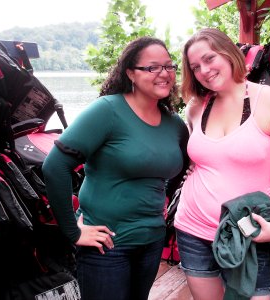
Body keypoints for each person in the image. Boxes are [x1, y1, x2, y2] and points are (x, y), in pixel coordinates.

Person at [42, 36, 189, 300]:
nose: (164, 74)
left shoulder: (174, 124)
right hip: (107, 243)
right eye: (152, 67)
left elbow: (181, 167)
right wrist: (72, 231)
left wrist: (165, 196)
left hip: (152, 239)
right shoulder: (107, 111)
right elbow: (55, 167)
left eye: (169, 66)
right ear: (131, 73)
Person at [174, 28, 270, 300]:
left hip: (251, 230)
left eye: (210, 59)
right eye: (195, 67)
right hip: (193, 227)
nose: (204, 70)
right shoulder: (196, 106)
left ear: (228, 53)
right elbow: (208, 158)